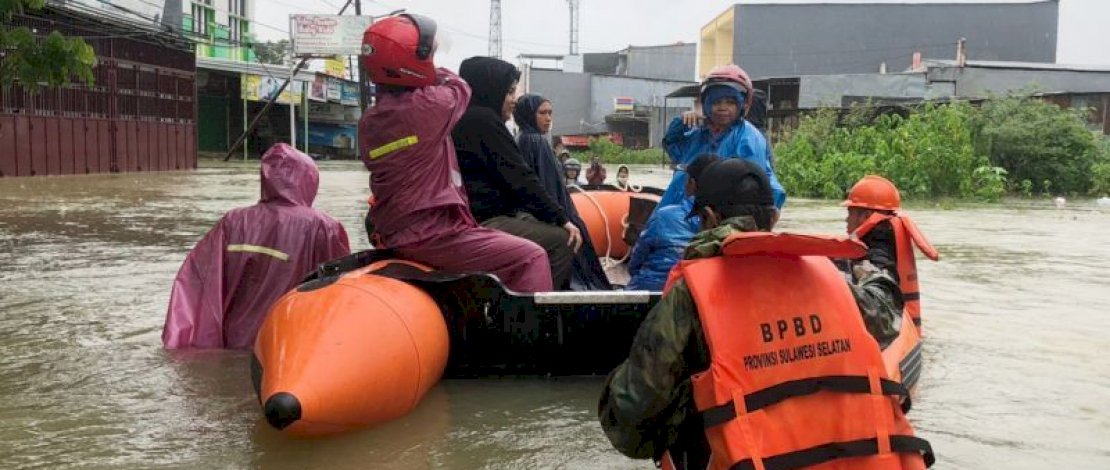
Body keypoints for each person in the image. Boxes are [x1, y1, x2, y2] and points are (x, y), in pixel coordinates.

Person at [599, 159, 933, 469]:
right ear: (772, 219)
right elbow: (887, 314)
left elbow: (632, 414)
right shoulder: (826, 276)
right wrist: (877, 260)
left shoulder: (690, 296)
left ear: (710, 218)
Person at [357, 15, 553, 293]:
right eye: (428, 54)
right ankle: (531, 335)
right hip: (433, 234)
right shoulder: (429, 106)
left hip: (392, 229)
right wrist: (430, 71)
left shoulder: (370, 122)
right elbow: (461, 87)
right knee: (531, 256)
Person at [162, 143, 351, 349]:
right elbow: (340, 292)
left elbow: (196, 282)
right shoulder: (323, 226)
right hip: (284, 345)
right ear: (309, 181)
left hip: (232, 342)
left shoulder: (233, 221)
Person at [453, 56, 583, 290]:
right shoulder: (485, 121)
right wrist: (562, 219)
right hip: (484, 218)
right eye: (510, 92)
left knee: (535, 222)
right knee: (563, 241)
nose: (514, 100)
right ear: (491, 90)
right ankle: (541, 312)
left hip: (479, 213)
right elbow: (522, 179)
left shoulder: (464, 118)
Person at [514, 94, 611, 291]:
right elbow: (546, 186)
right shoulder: (535, 142)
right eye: (542, 113)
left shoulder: (522, 139)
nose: (548, 118)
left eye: (550, 113)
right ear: (528, 115)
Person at [659, 64, 786, 211]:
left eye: (730, 103)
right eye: (716, 102)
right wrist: (682, 122)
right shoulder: (698, 135)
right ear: (706, 104)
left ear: (742, 105)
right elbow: (672, 145)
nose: (722, 108)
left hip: (719, 215)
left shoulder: (748, 139)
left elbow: (751, 190)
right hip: (681, 210)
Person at [843, 175, 940, 330]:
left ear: (866, 216)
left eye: (850, 213)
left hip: (893, 327)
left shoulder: (878, 248)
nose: (846, 220)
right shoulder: (883, 238)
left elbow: (880, 295)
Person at [625, 154, 718, 291]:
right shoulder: (727, 223)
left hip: (652, 292)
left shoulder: (665, 216)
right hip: (700, 295)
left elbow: (635, 262)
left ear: (691, 184)